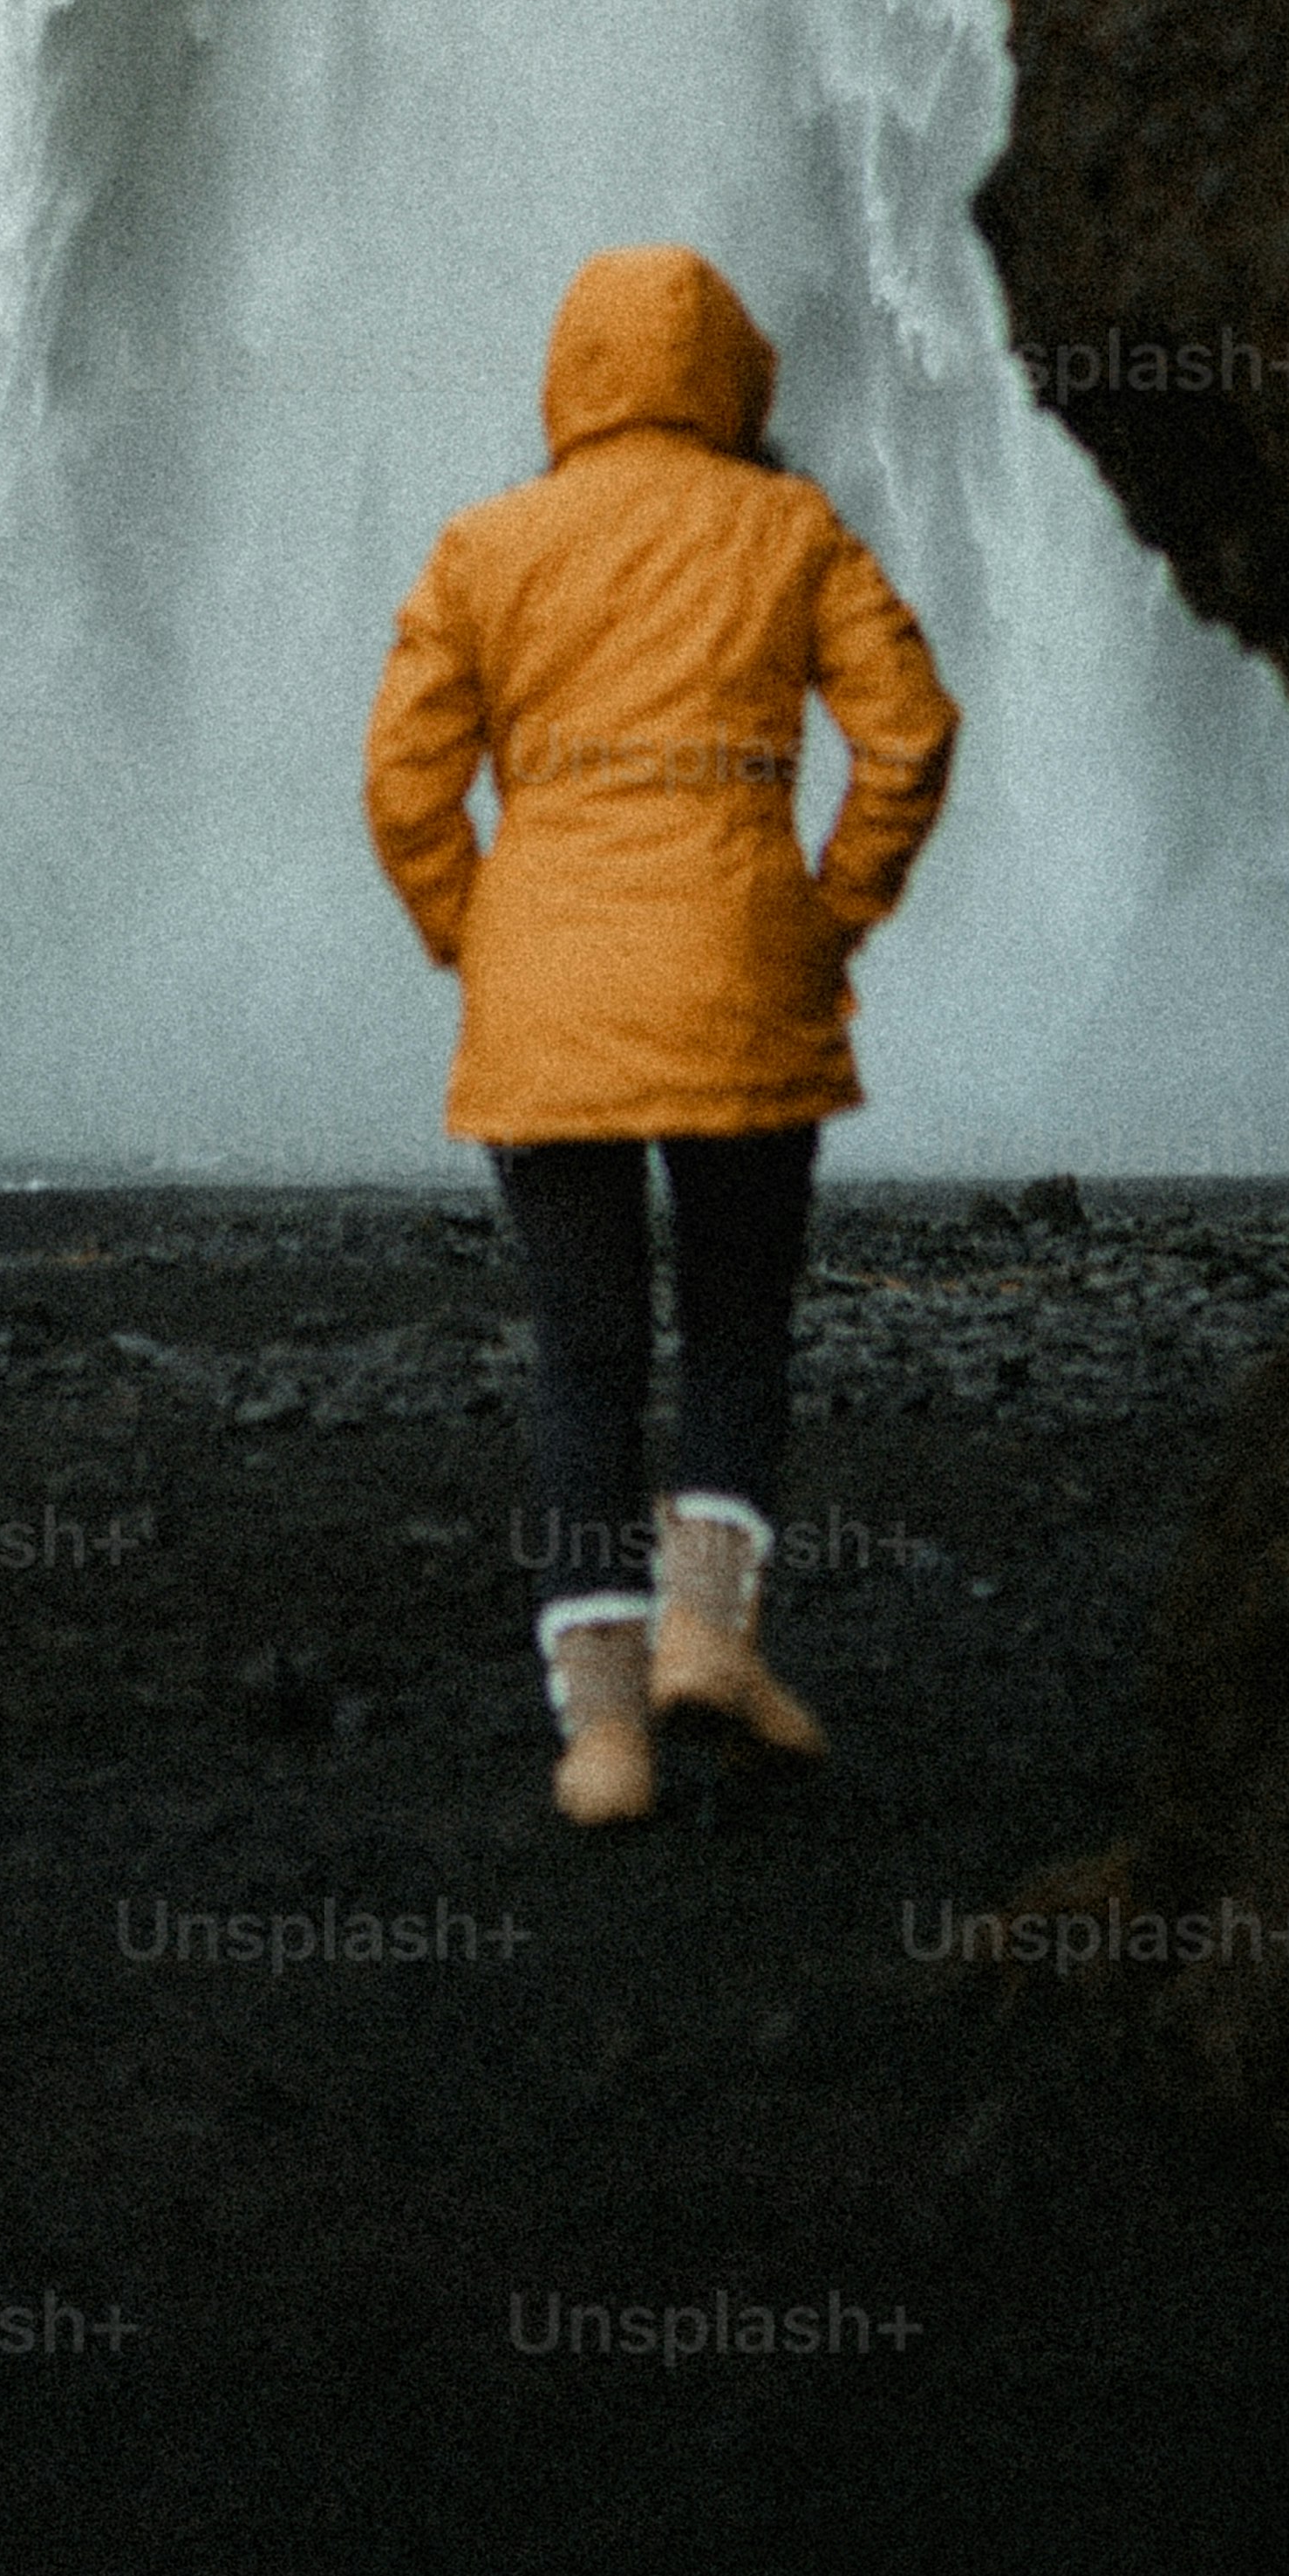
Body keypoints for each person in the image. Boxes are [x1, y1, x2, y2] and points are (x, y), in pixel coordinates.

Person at [363, 243, 958, 1828]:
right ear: (735, 377)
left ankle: (604, 1740)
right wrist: (832, 911)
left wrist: (475, 934)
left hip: (546, 994)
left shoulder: (487, 547)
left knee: (583, 1355)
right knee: (742, 1321)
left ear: (569, 376)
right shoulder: (790, 525)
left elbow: (405, 787)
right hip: (745, 969)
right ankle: (713, 1634)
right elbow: (908, 733)